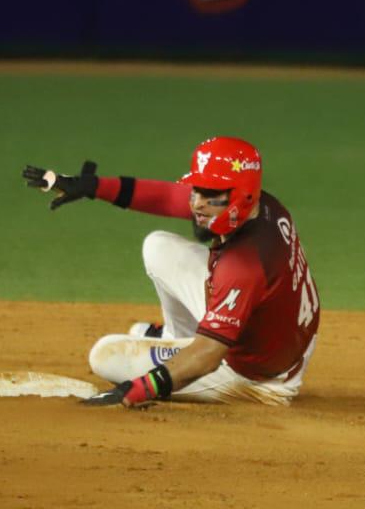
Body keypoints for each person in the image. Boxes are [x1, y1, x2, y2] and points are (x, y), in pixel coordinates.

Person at [22, 136, 319, 407]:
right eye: (197, 190)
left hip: (256, 375)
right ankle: (178, 337)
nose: (198, 202)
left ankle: (192, 355)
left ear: (241, 195)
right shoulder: (260, 205)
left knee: (105, 355)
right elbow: (165, 197)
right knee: (157, 246)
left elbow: (209, 356)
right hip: (280, 332)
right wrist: (93, 186)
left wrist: (138, 389)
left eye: (210, 193)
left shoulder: (243, 265)